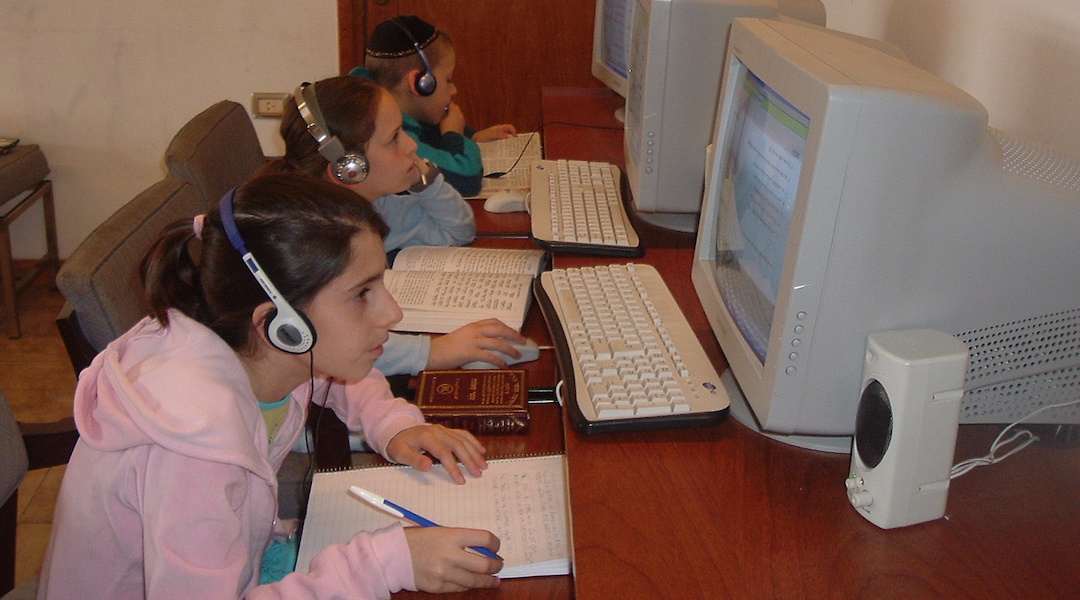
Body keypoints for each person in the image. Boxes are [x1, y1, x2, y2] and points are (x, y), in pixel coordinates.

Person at [36, 174, 503, 599]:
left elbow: (334, 378)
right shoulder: (190, 449)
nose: (392, 313)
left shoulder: (253, 348)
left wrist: (393, 423)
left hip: (242, 561)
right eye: (363, 293)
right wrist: (382, 566)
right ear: (282, 327)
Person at [268, 75, 527, 378]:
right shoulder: (312, 246)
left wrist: (425, 183)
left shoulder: (377, 206)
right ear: (349, 169)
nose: (411, 145)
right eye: (394, 138)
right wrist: (434, 351)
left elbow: (456, 230)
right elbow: (326, 345)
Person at [352, 15, 517, 197]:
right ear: (421, 83)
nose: (453, 90)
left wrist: (473, 137)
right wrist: (454, 135)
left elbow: (430, 134)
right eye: (448, 80)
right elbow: (466, 179)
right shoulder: (394, 137)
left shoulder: (378, 104)